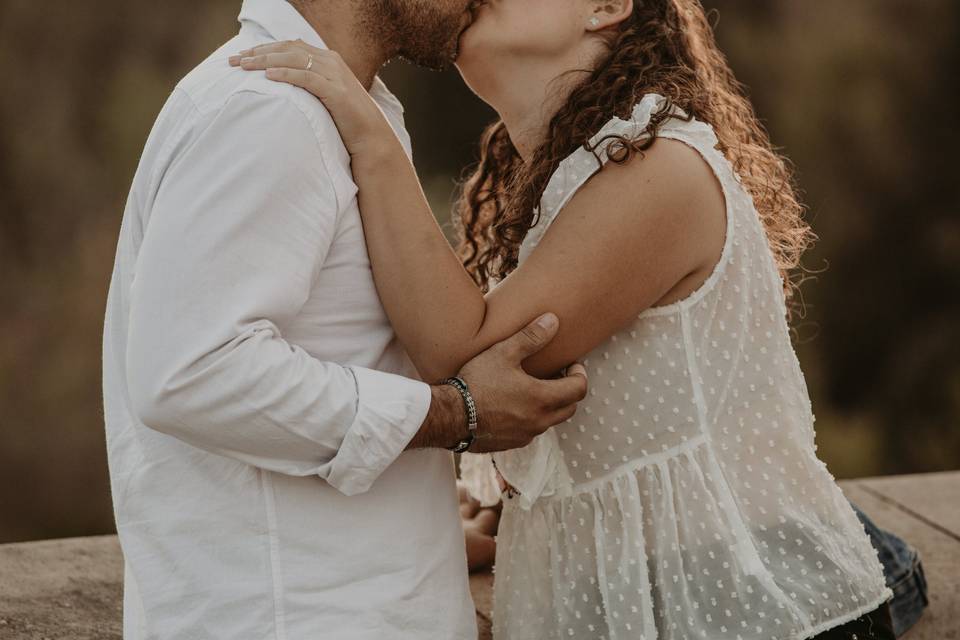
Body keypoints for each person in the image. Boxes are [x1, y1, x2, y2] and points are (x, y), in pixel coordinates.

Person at [233, 0, 914, 638]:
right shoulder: (563, 175)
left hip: (764, 600)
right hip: (647, 591)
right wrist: (510, 509)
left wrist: (370, 133)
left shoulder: (661, 168)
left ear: (608, 4)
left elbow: (464, 355)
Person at [101, 0, 590, 638]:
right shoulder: (271, 111)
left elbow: (340, 349)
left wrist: (435, 531)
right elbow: (190, 374)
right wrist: (456, 413)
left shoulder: (328, 106)